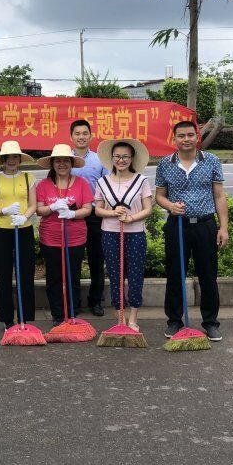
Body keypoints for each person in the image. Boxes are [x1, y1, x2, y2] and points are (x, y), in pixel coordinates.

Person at [155, 120, 228, 342]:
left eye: (190, 135)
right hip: (177, 226)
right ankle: (174, 321)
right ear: (174, 139)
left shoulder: (211, 160)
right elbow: (159, 196)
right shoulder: (165, 163)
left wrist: (223, 227)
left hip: (205, 225)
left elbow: (219, 195)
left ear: (197, 137)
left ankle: (211, 322)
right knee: (175, 274)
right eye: (181, 136)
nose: (186, 139)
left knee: (208, 275)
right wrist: (170, 206)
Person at [94, 139, 153, 330]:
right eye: (117, 156)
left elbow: (148, 209)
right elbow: (98, 210)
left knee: (135, 275)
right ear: (111, 158)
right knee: (115, 275)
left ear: (132, 158)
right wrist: (113, 213)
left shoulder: (141, 180)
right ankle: (120, 317)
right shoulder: (103, 182)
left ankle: (133, 318)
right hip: (110, 233)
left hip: (135, 234)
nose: (121, 160)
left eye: (126, 156)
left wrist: (132, 218)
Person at [36, 144, 93, 325]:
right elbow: (39, 210)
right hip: (50, 239)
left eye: (66, 161)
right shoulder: (43, 185)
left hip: (75, 238)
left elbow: (87, 209)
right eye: (58, 161)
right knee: (54, 278)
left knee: (72, 277)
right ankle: (58, 314)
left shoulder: (81, 183)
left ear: (72, 163)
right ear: (52, 164)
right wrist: (52, 207)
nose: (62, 164)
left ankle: (72, 313)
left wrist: (72, 213)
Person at [0, 141, 37, 330]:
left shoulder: (28, 178)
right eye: (8, 157)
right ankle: (7, 319)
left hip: (24, 229)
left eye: (15, 157)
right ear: (2, 160)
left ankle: (26, 317)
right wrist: (5, 210)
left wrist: (24, 217)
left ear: (20, 159)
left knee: (25, 274)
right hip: (3, 231)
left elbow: (33, 204)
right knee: (4, 275)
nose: (12, 160)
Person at [70, 119, 109, 316]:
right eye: (77, 133)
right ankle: (73, 302)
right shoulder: (64, 159)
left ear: (91, 136)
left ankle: (96, 300)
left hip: (94, 215)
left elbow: (107, 187)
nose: (81, 137)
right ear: (71, 137)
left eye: (85, 133)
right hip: (72, 215)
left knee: (96, 259)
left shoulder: (100, 160)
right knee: (73, 260)